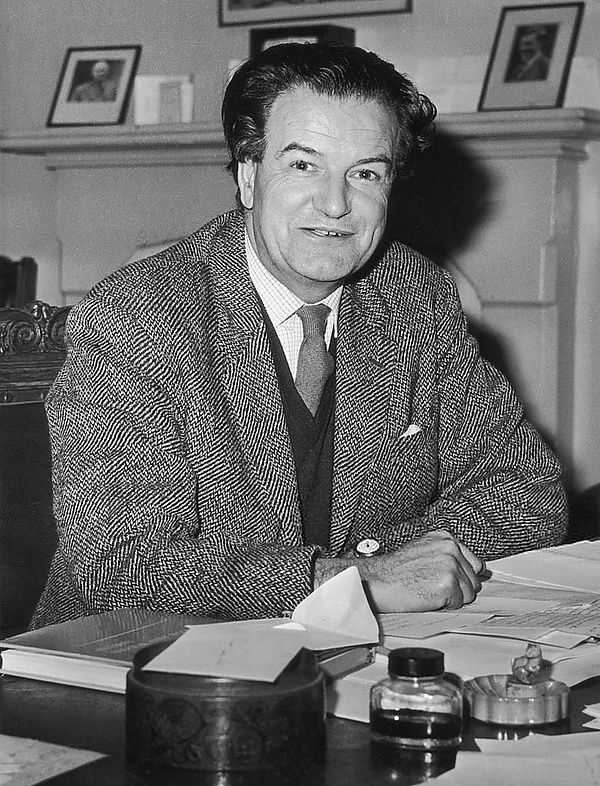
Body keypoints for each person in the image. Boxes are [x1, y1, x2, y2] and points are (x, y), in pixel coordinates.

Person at [32, 43, 567, 629]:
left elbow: (530, 493)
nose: (336, 204)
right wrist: (361, 580)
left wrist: (386, 571)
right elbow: (118, 566)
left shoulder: (415, 293)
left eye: (365, 173)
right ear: (248, 175)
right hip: (139, 658)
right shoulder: (137, 314)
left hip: (363, 651)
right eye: (303, 165)